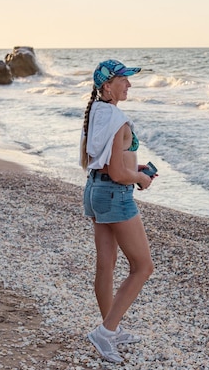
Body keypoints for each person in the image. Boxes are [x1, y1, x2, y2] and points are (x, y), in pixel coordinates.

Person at [80, 59, 155, 363]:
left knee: (106, 265)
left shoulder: (97, 112)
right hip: (114, 194)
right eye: (123, 80)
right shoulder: (118, 119)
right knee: (143, 267)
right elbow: (118, 172)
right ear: (107, 86)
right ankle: (105, 332)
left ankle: (110, 327)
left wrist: (130, 168)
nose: (129, 84)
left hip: (95, 191)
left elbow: (103, 162)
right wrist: (140, 177)